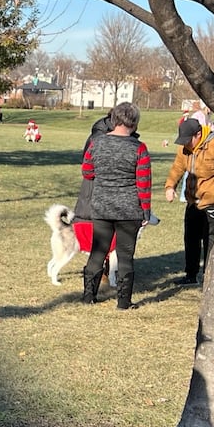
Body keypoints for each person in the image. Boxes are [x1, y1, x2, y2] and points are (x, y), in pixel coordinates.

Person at [79, 101, 152, 309]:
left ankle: (88, 296)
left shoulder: (96, 143)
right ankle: (123, 302)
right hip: (130, 210)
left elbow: (87, 172)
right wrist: (145, 211)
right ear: (134, 122)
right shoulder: (139, 148)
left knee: (97, 252)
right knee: (125, 255)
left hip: (101, 207)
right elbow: (143, 184)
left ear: (114, 120)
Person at [164, 119, 214, 285]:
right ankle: (190, 275)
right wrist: (170, 186)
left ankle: (210, 277)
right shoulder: (184, 149)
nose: (185, 144)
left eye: (187, 140)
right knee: (191, 238)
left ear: (198, 135)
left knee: (210, 239)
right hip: (193, 200)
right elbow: (177, 167)